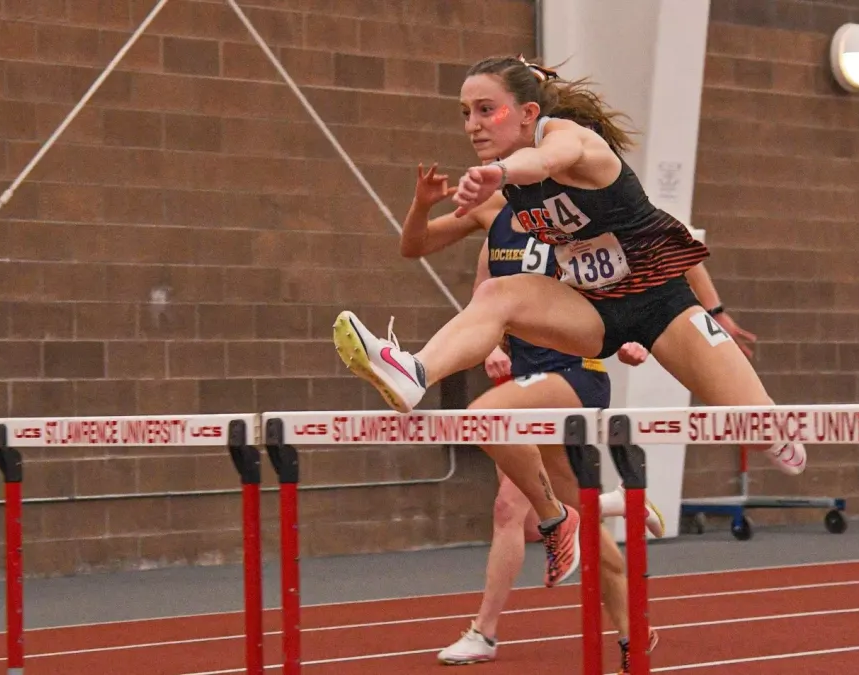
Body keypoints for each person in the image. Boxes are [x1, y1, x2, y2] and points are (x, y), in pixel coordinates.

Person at [331, 55, 807, 589]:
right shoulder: (508, 179)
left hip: (660, 306)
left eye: (486, 110)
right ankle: (414, 372)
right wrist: (493, 179)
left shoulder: (567, 139)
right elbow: (416, 245)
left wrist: (500, 174)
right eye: (465, 113)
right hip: (593, 310)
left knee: (763, 427)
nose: (472, 125)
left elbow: (547, 160)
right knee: (498, 294)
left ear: (528, 111)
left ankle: (771, 427)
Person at [398, 163, 663, 670]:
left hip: (573, 376)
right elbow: (414, 247)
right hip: (526, 378)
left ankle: (557, 520)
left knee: (482, 422)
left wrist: (637, 339)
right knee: (573, 511)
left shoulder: (579, 216)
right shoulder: (492, 209)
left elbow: (632, 280)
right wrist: (421, 205)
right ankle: (633, 629)